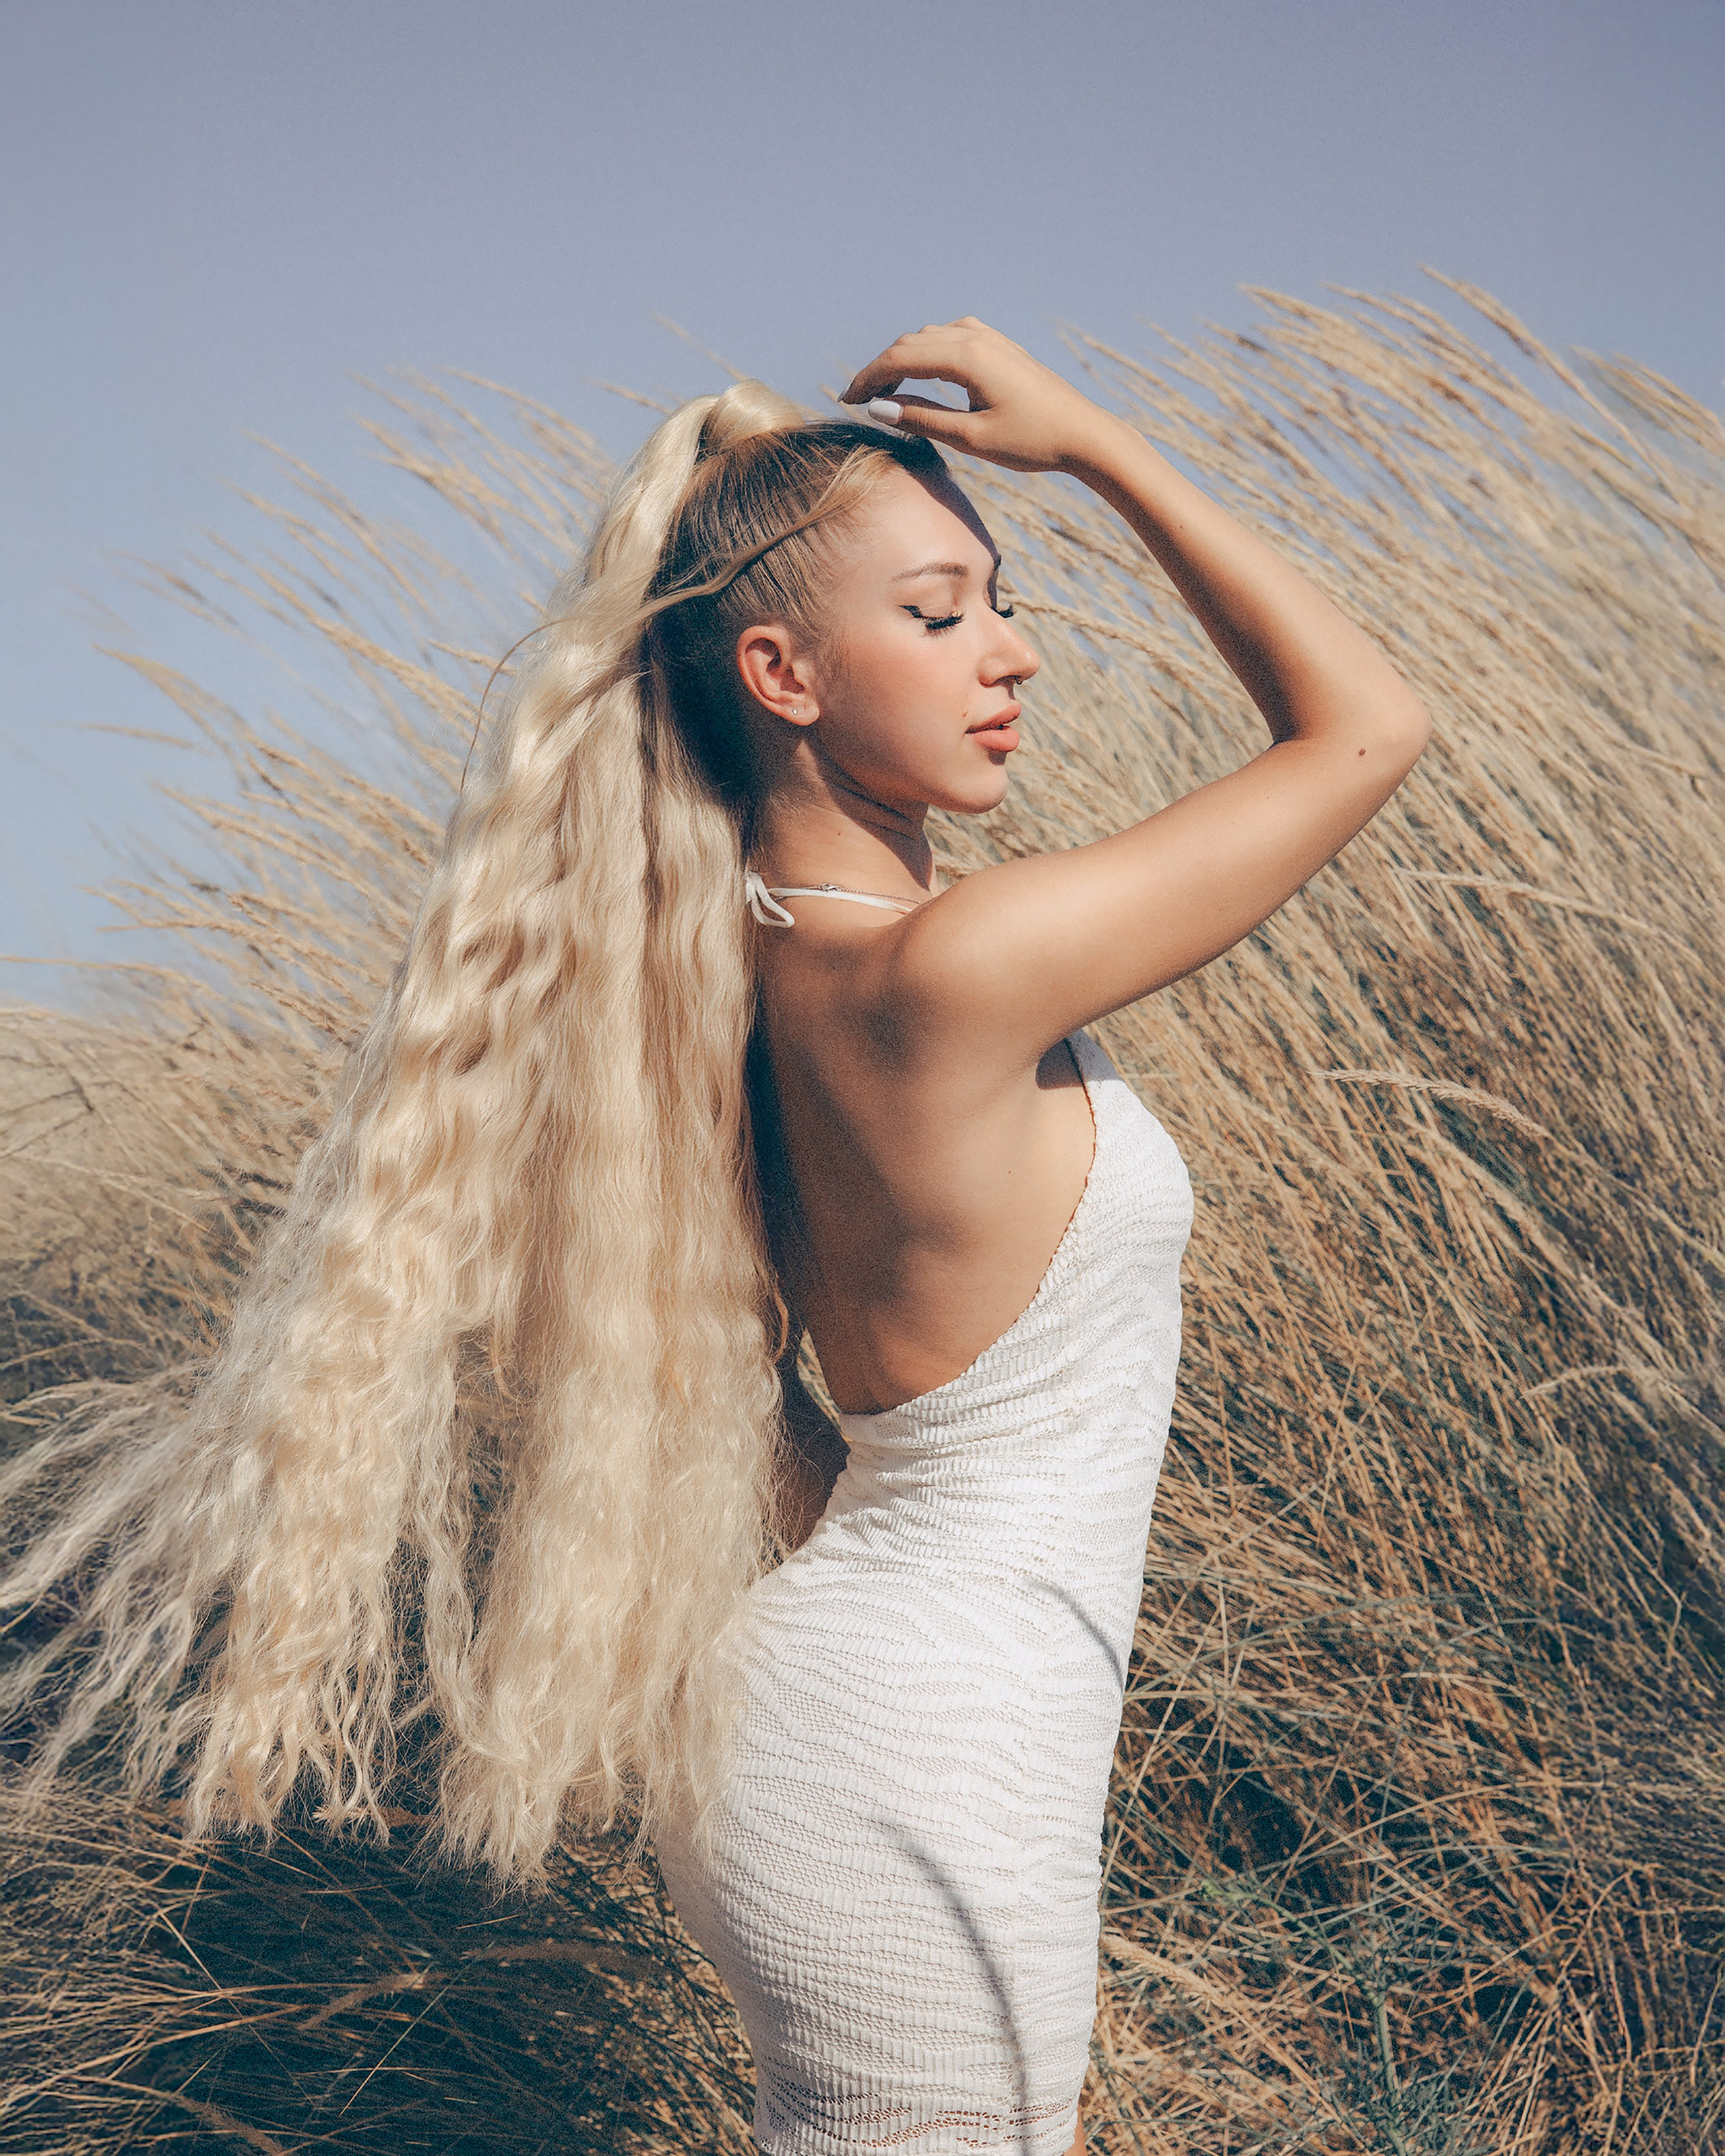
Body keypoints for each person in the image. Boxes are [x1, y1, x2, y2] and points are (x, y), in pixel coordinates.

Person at [0, 320, 1427, 2155]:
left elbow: (738, 1388)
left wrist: (905, 1630)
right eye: (938, 614)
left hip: (871, 1722)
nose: (1015, 653)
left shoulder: (732, 984)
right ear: (783, 669)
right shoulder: (958, 967)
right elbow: (1369, 724)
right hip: (922, 1753)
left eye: (1002, 599)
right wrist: (1098, 452)